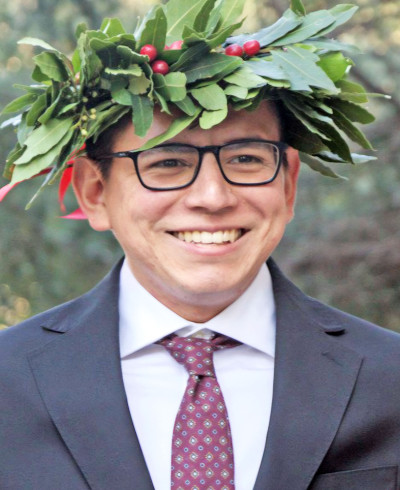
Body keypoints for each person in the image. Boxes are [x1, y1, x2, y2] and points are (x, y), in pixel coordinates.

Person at [1, 1, 400, 489]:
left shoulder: (389, 378)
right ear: (95, 193)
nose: (213, 198)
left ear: (288, 184)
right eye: (167, 163)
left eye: (246, 159)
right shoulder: (8, 381)